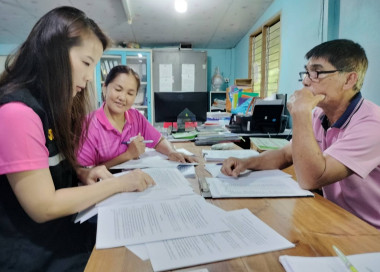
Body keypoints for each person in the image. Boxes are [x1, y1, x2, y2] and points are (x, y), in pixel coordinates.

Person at [0, 6, 155, 272]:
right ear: (54, 51)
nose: (88, 77)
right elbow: (43, 205)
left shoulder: (51, 109)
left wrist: (83, 173)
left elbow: (51, 169)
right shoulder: (17, 113)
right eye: (86, 63)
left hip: (64, 235)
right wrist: (120, 183)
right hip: (34, 258)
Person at [221, 39, 380, 230]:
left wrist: (301, 111)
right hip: (335, 217)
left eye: (317, 73)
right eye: (306, 72)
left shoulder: (372, 123)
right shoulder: (320, 114)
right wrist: (247, 163)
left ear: (349, 79)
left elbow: (310, 179)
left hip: (369, 231)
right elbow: (288, 153)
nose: (306, 81)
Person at [77, 65, 197, 169]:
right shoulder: (89, 125)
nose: (123, 98)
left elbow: (158, 140)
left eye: (130, 93)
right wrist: (128, 155)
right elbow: (86, 172)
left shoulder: (135, 117)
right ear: (104, 88)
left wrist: (171, 152)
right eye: (118, 89)